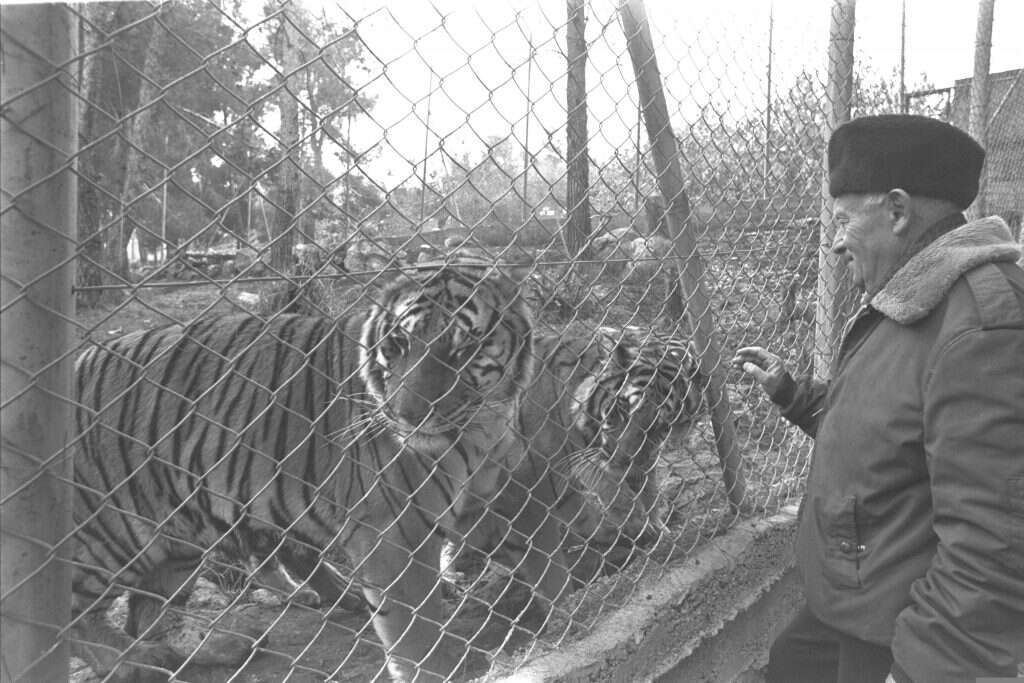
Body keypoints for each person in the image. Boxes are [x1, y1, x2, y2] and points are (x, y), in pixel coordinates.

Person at [733, 114, 1024, 683]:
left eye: (843, 219)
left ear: (896, 211)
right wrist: (794, 397)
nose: (836, 242)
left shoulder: (983, 328)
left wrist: (922, 669)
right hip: (851, 611)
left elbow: (996, 547)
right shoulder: (913, 301)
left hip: (902, 638)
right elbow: (892, 438)